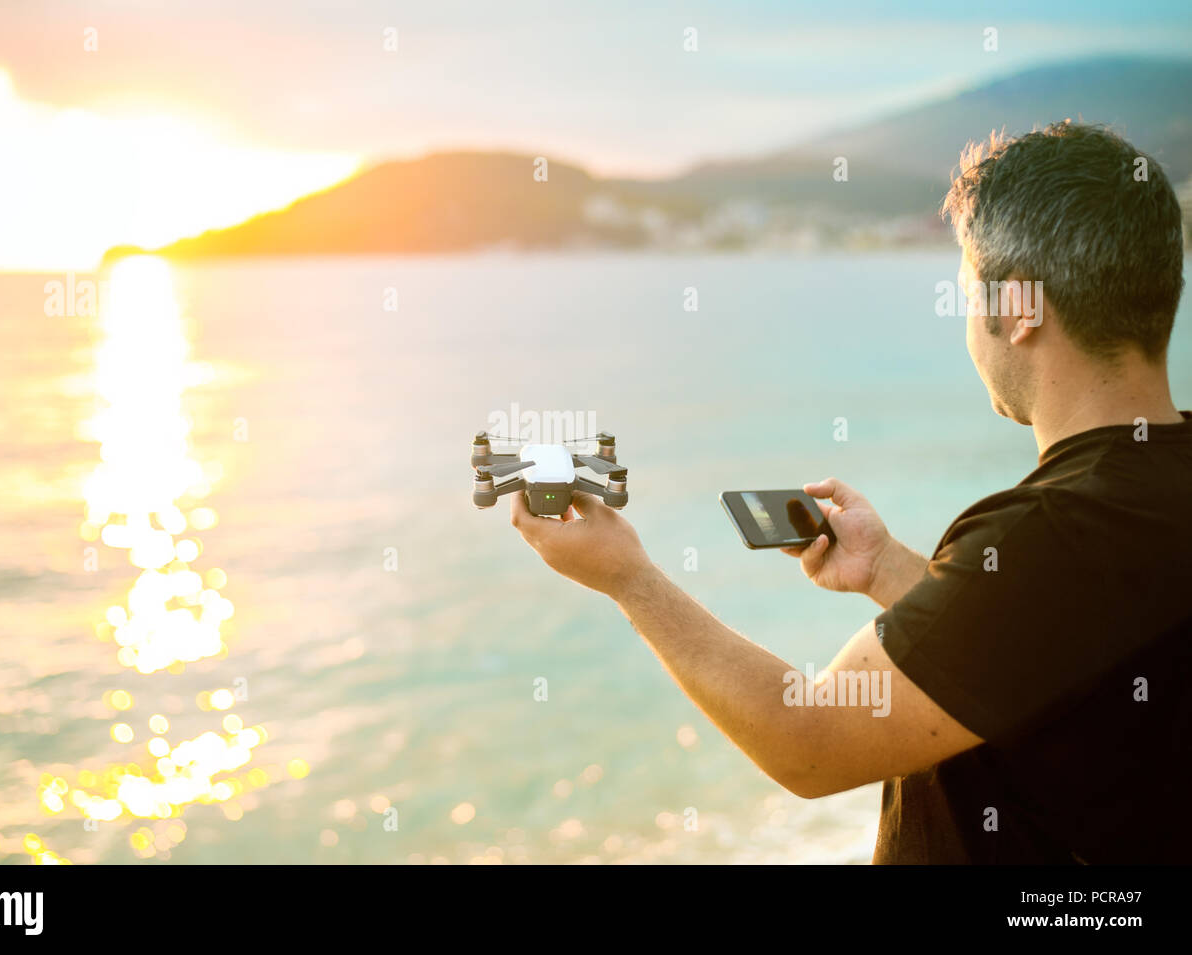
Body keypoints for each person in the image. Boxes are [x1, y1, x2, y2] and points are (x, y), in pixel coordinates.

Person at [509, 121, 1191, 864]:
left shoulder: (1055, 530)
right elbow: (1056, 660)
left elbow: (806, 741)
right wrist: (892, 571)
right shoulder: (1142, 501)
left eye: (968, 291)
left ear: (1021, 309)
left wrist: (628, 578)